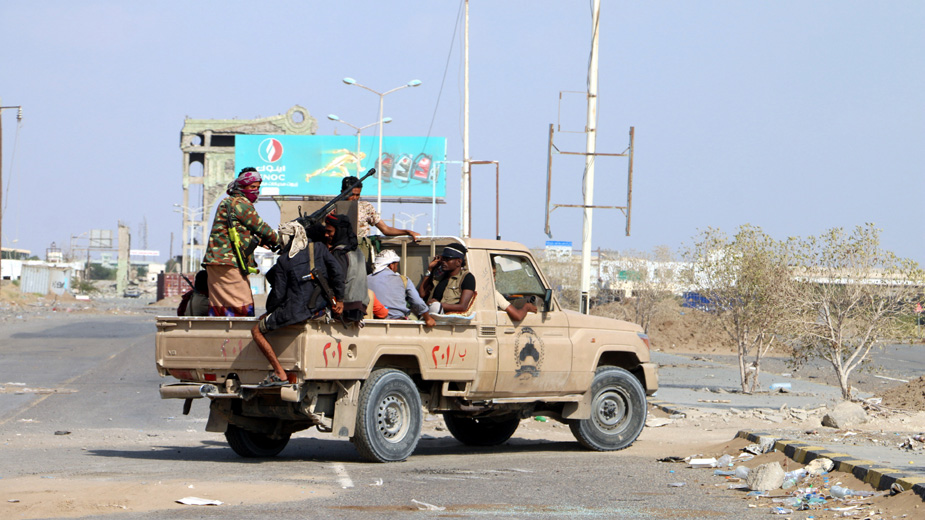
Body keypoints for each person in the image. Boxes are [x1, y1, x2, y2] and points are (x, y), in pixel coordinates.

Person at [252, 222, 345, 385]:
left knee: (256, 331)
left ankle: (279, 372)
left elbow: (279, 294)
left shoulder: (283, 260)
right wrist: (341, 300)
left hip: (296, 311)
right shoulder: (318, 248)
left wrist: (269, 312)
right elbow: (337, 272)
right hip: (320, 307)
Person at [202, 167, 279, 317]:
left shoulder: (227, 202)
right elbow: (261, 227)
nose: (256, 191)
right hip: (229, 263)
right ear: (241, 187)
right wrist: (283, 240)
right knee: (243, 307)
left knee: (221, 308)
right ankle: (240, 339)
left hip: (216, 261)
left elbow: (235, 231)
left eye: (258, 188)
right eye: (252, 187)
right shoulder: (240, 203)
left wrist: (257, 241)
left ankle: (222, 338)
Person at [367, 249, 436, 326]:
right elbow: (417, 302)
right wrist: (428, 319)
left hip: (372, 323)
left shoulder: (365, 279)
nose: (397, 268)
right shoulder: (403, 279)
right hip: (399, 323)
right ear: (391, 265)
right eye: (396, 265)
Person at [341, 176, 421, 240]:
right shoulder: (332, 208)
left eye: (357, 195)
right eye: (352, 194)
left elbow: (385, 229)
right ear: (342, 192)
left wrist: (408, 232)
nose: (355, 198)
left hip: (358, 252)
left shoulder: (365, 207)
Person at [324, 213, 368, 324]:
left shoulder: (339, 252)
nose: (326, 235)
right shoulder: (358, 251)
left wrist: (339, 301)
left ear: (339, 231)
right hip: (359, 307)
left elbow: (339, 279)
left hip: (345, 307)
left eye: (330, 231)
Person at [418, 242, 476, 314]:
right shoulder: (439, 276)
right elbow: (422, 294)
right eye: (442, 259)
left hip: (448, 318)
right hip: (430, 315)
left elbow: (463, 306)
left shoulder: (467, 278)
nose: (443, 262)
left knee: (435, 307)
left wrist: (438, 305)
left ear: (458, 262)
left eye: (447, 259)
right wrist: (430, 270)